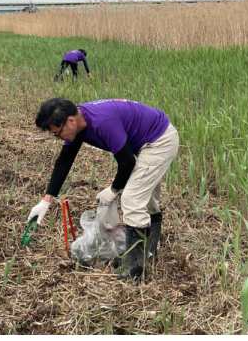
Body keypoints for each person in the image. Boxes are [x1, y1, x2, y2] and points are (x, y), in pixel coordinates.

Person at [29, 98, 178, 282]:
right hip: (147, 140)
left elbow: (127, 162)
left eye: (57, 133)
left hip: (159, 141)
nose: (58, 139)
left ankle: (135, 272)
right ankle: (149, 253)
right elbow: (64, 161)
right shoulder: (79, 124)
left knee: (131, 199)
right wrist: (46, 201)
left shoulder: (101, 122)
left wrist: (114, 189)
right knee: (144, 200)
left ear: (70, 121)